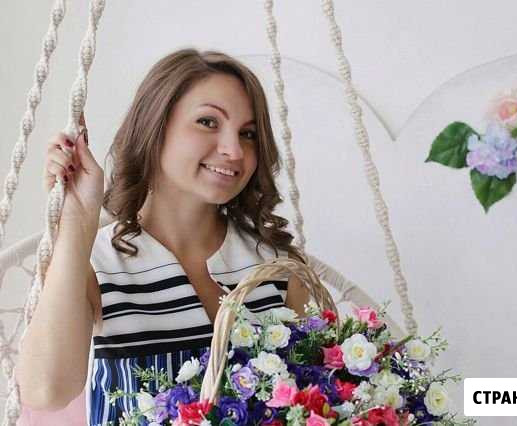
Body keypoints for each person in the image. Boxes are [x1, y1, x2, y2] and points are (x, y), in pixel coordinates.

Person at [16, 49, 310, 424]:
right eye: (208, 122)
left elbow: (325, 396)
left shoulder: (278, 270)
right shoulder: (99, 261)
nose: (234, 150)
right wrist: (76, 220)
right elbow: (46, 391)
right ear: (154, 127)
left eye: (248, 134)